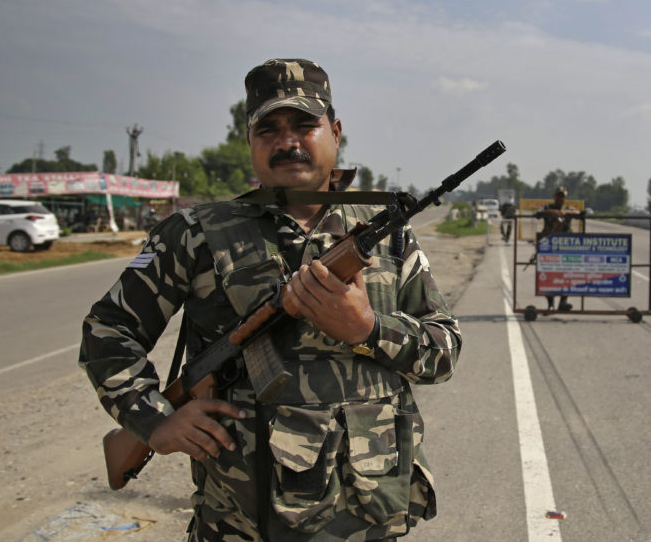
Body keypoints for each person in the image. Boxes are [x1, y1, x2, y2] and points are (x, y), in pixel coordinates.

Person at [79, 58, 460, 541]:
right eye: (269, 129)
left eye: (305, 125)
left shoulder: (386, 235)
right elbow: (107, 331)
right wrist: (154, 421)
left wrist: (368, 329)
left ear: (335, 131)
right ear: (250, 141)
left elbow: (445, 351)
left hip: (371, 517)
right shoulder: (196, 234)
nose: (288, 142)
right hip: (243, 525)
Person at [534, 186, 580, 311]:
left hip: (566, 247)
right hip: (549, 246)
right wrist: (555, 213)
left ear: (565, 198)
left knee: (567, 275)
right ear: (554, 197)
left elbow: (579, 214)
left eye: (562, 196)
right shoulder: (547, 207)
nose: (560, 199)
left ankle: (563, 302)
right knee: (548, 275)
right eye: (558, 196)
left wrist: (565, 213)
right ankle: (551, 304)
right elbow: (538, 213)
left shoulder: (568, 209)